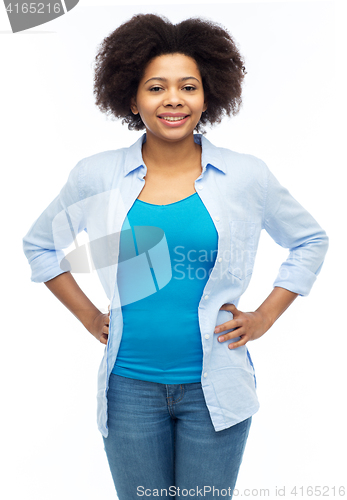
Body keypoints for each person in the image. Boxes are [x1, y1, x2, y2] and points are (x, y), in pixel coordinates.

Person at [22, 13, 329, 500]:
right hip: (128, 391)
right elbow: (40, 245)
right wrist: (87, 317)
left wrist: (265, 316)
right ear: (131, 97)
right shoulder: (96, 176)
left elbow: (310, 239)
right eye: (155, 87)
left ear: (207, 97)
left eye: (188, 87)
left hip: (216, 390)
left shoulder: (245, 176)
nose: (173, 100)